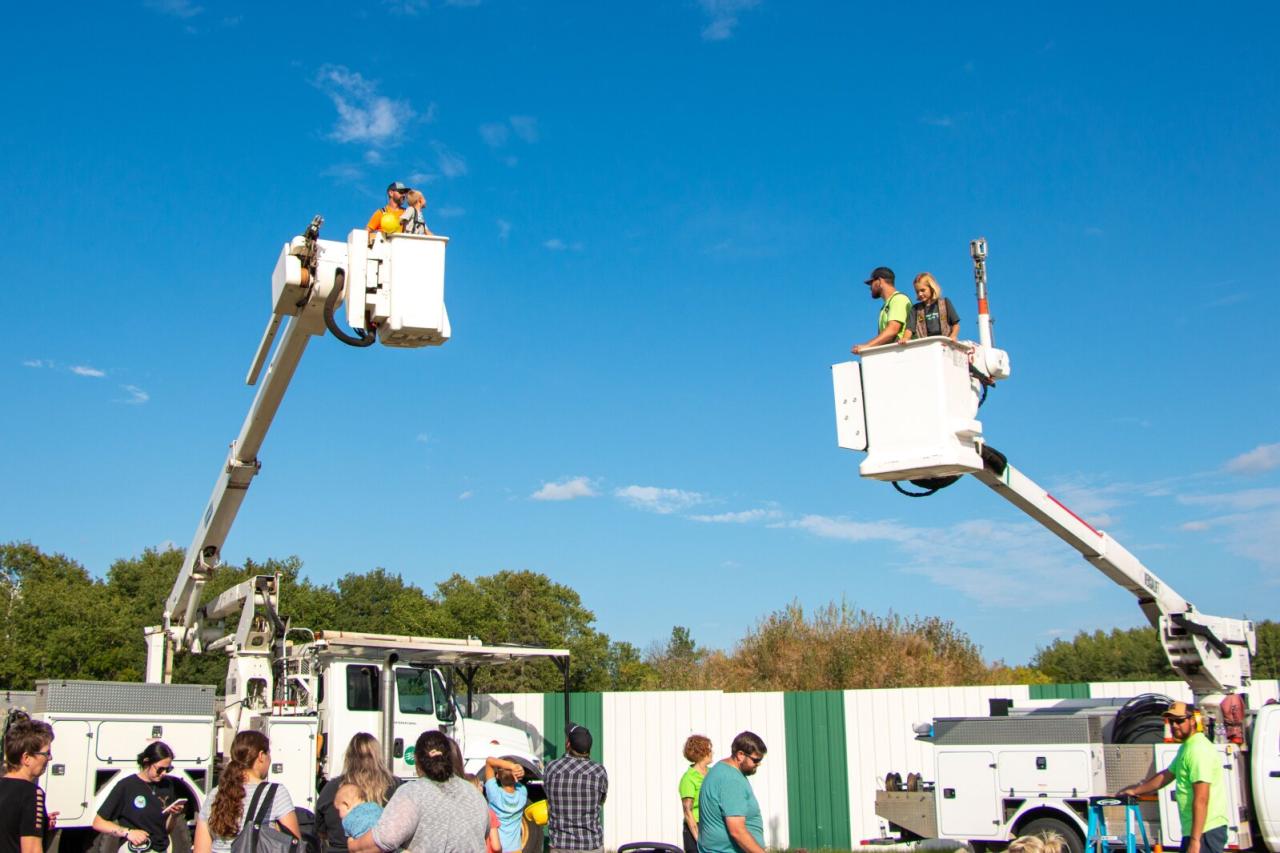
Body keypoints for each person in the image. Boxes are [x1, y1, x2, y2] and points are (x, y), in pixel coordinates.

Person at [347, 730, 489, 853]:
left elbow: (385, 839)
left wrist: (354, 846)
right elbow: (484, 834)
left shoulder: (412, 793)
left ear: (417, 760)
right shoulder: (475, 794)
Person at [1118, 701, 1229, 853]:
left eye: (1179, 721)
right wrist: (1136, 790)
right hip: (1195, 830)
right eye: (1171, 721)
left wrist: (1196, 841)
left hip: (1205, 830)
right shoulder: (1187, 747)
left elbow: (1202, 798)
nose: (1175, 726)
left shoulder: (1198, 750)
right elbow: (1166, 775)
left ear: (1192, 721)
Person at [195, 731, 301, 853]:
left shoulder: (216, 793)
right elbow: (294, 845)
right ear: (261, 756)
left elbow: (200, 849)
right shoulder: (276, 793)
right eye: (269, 754)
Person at [93, 741, 185, 852]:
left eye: (168, 769)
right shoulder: (127, 786)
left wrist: (173, 816)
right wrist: (128, 832)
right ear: (146, 762)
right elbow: (98, 822)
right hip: (135, 849)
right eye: (160, 769)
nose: (164, 773)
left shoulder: (167, 785)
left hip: (161, 849)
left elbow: (166, 829)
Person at [316, 734, 398, 853]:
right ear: (378, 756)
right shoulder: (396, 786)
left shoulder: (331, 788)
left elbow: (320, 830)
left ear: (348, 757)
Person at [697, 731, 767, 853]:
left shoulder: (720, 769)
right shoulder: (731, 780)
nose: (758, 764)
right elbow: (737, 831)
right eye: (756, 760)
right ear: (740, 755)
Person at [543, 724, 607, 853]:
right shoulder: (599, 771)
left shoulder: (551, 768)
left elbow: (547, 795)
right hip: (591, 844)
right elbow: (601, 801)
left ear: (568, 744)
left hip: (560, 845)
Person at [1, 712, 56, 853]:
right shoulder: (31, 794)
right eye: (46, 753)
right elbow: (31, 849)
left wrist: (40, 822)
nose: (49, 758)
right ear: (26, 758)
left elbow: (8, 825)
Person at [851, 267, 911, 354]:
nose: (870, 288)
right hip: (894, 353)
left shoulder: (899, 299)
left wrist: (867, 346)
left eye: (871, 283)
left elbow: (892, 330)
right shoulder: (887, 305)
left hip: (901, 353)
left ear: (879, 281)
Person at [482, 757, 527, 853]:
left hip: (497, 848)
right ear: (516, 777)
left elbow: (489, 761)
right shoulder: (523, 792)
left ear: (497, 776)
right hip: (516, 849)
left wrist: (511, 767)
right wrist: (517, 770)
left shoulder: (494, 794)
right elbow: (518, 782)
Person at [678, 735, 712, 853]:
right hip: (696, 827)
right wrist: (699, 839)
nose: (712, 752)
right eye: (709, 749)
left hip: (711, 825)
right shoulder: (689, 778)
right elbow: (688, 812)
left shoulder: (713, 773)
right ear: (701, 752)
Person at [902, 272, 960, 342]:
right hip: (925, 345)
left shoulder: (945, 303)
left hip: (945, 343)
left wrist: (953, 336)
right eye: (917, 292)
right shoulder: (916, 309)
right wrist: (906, 338)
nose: (920, 294)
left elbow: (955, 325)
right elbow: (909, 329)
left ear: (931, 288)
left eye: (923, 290)